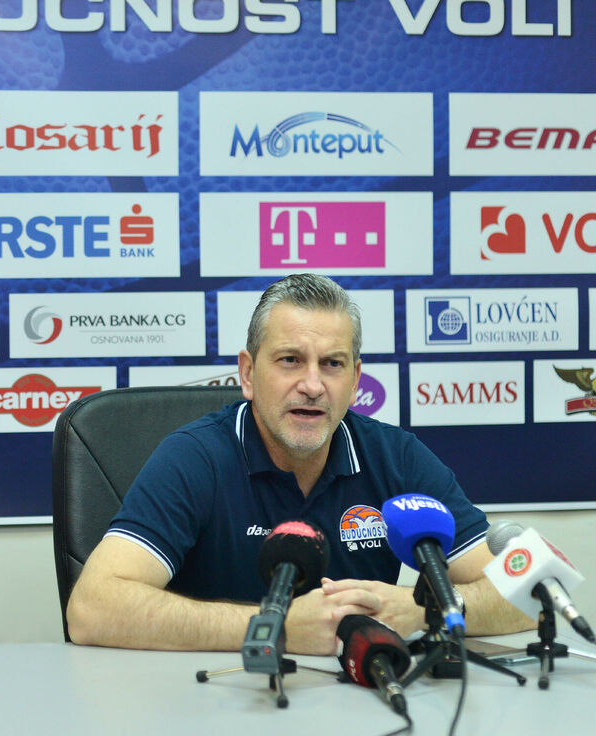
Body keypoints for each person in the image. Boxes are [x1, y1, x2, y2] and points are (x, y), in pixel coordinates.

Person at [66, 273, 531, 654]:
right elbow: (91, 609)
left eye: (332, 364)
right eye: (290, 360)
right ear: (248, 373)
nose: (312, 385)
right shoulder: (195, 457)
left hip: (363, 702)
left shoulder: (397, 458)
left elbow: (526, 593)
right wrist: (277, 626)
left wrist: (423, 610)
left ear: (355, 380)